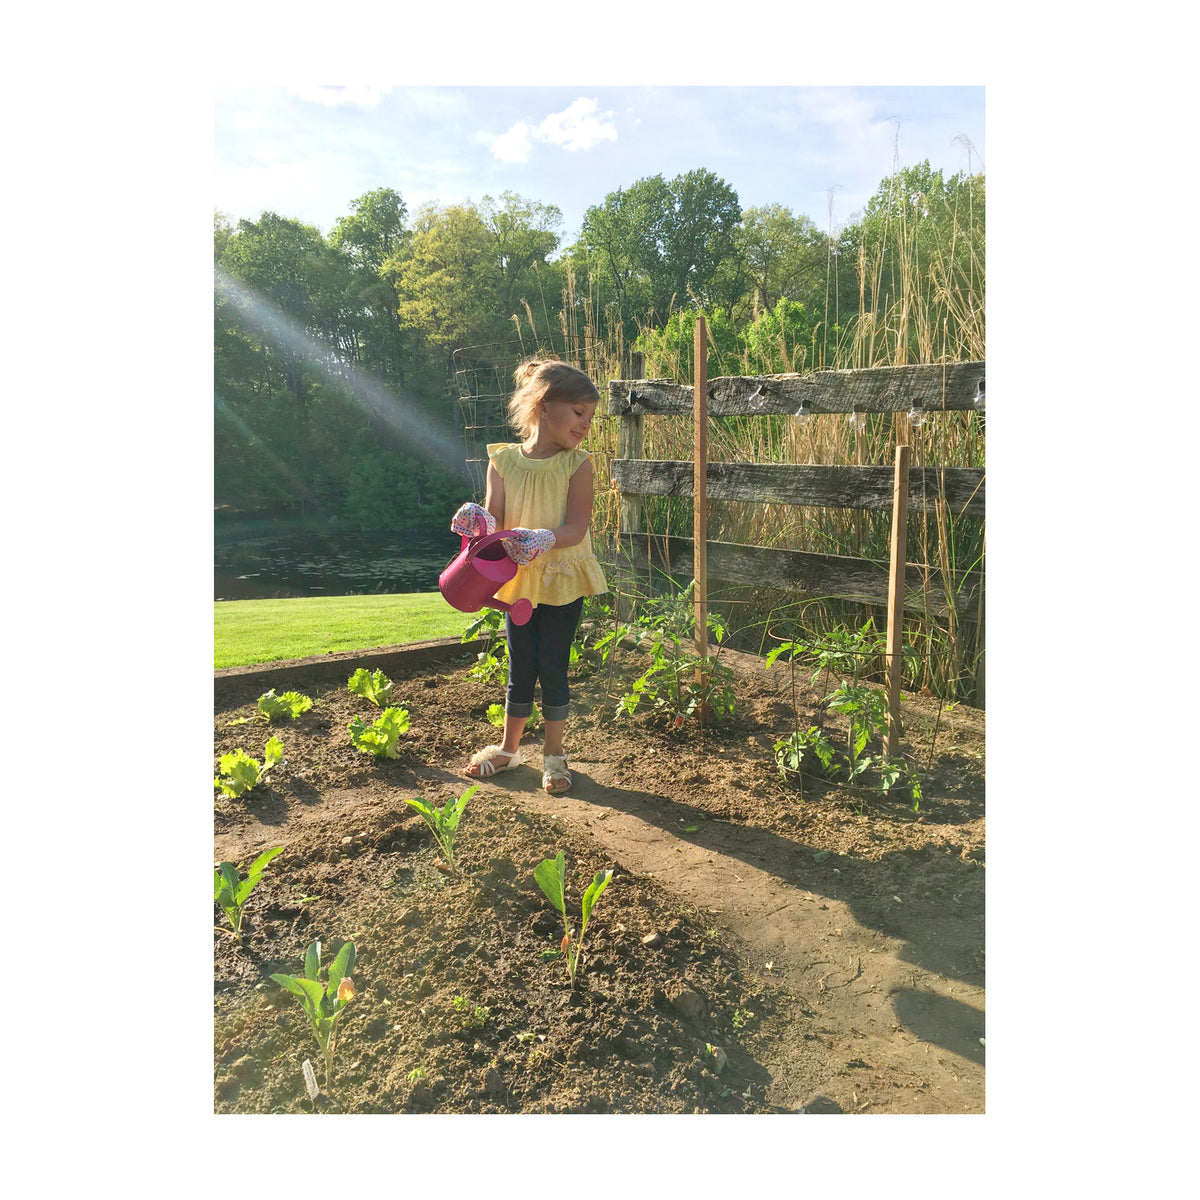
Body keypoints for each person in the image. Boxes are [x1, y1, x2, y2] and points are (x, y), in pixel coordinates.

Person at [450, 359, 608, 794]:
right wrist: (476, 518)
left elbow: (577, 527)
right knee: (521, 665)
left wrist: (543, 538)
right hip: (516, 583)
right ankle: (508, 750)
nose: (586, 424)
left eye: (590, 417)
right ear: (542, 405)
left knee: (553, 665)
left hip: (560, 579)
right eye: (579, 413)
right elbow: (495, 521)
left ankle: (555, 757)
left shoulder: (577, 465)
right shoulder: (502, 461)